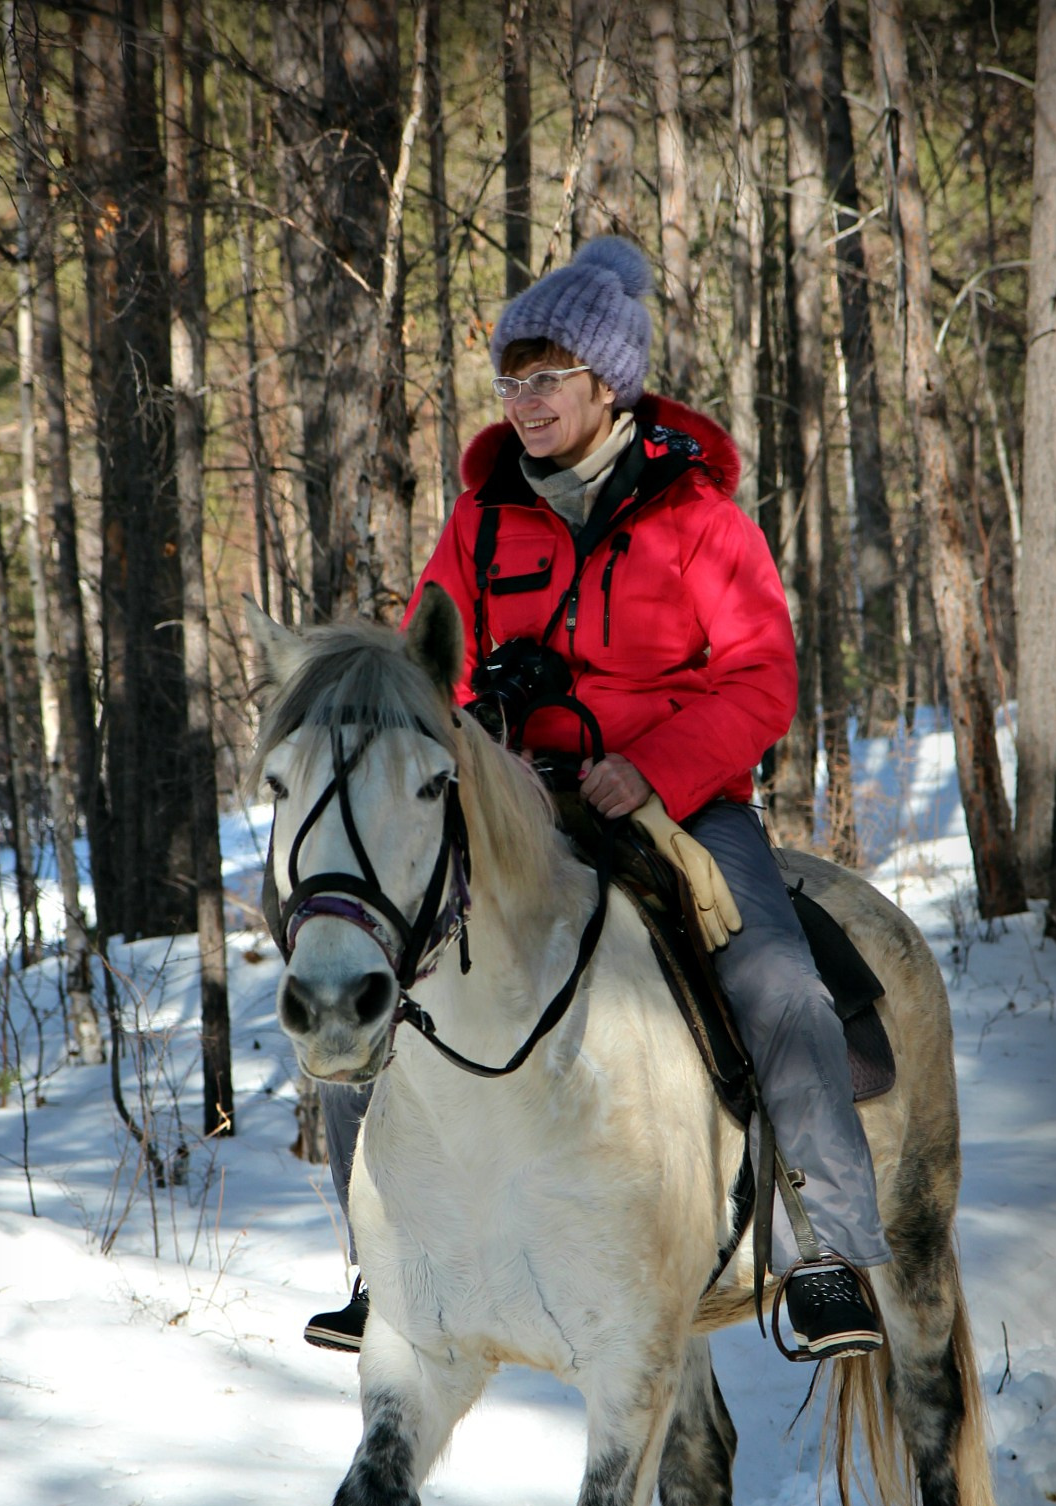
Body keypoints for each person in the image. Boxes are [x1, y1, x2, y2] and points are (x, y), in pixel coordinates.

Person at [303, 234, 890, 1363]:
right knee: (365, 965)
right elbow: (431, 673)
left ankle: (822, 1244)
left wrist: (652, 766)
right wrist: (489, 734)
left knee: (779, 983)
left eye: (546, 379)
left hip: (674, 801)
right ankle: (381, 1260)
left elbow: (761, 678)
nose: (521, 404)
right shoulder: (478, 524)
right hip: (516, 799)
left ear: (606, 383)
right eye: (508, 382)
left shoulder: (700, 521)